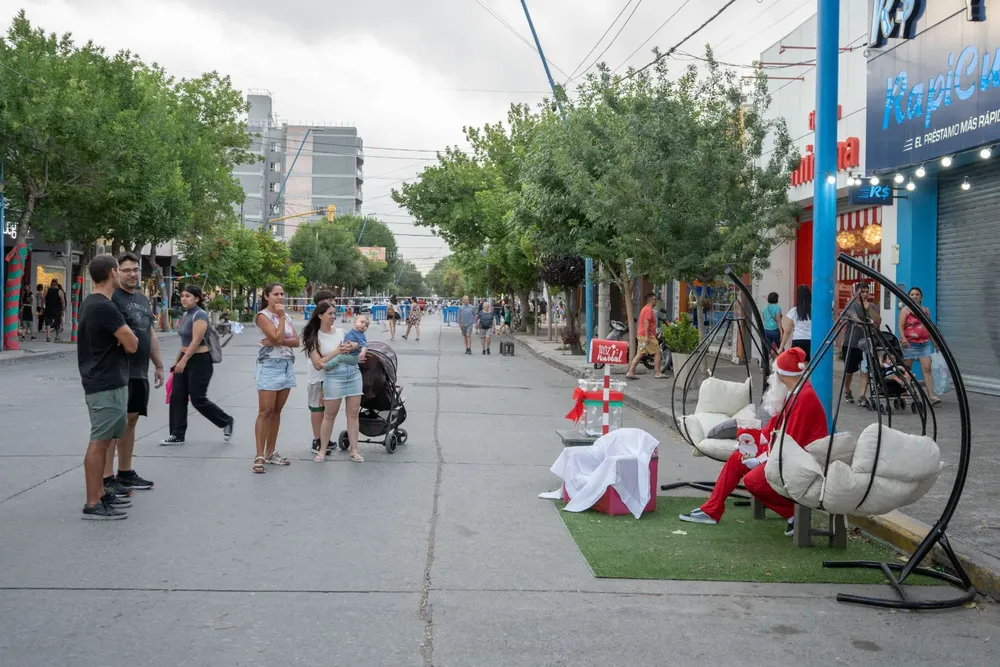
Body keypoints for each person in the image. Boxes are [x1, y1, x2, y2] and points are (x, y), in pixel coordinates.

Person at [679, 347, 829, 535]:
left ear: (782, 374)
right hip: (787, 451)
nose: (773, 376)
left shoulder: (803, 397)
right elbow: (771, 431)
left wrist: (760, 459)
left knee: (754, 481)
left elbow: (790, 442)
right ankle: (712, 510)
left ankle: (794, 515)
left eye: (776, 372)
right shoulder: (794, 392)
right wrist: (747, 443)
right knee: (738, 457)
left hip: (800, 458)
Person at [77, 255, 138, 520]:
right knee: (100, 441)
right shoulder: (103, 306)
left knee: (107, 438)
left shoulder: (93, 303)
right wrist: (125, 340)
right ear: (113, 272)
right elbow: (133, 343)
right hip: (105, 382)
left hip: (105, 380)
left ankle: (101, 492)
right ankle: (92, 502)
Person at [106, 252, 164, 493]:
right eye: (127, 270)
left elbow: (149, 333)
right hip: (119, 371)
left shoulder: (142, 299)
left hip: (140, 371)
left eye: (135, 270)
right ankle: (107, 478)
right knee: (114, 426)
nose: (132, 274)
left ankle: (125, 471)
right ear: (116, 272)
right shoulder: (111, 298)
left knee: (131, 422)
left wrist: (158, 364)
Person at [159, 285, 234, 447]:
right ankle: (177, 434)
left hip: (201, 361)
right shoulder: (186, 314)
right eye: (183, 296)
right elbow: (184, 343)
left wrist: (184, 361)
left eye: (188, 296)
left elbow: (195, 341)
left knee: (198, 399)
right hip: (185, 358)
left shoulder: (200, 316)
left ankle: (226, 421)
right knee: (177, 397)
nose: (184, 299)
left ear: (197, 298)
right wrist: (177, 362)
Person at [302, 302, 366, 462]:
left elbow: (357, 342)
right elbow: (318, 364)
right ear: (320, 315)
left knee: (353, 414)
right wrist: (336, 352)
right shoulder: (314, 337)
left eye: (334, 313)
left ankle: (355, 450)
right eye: (330, 313)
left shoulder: (342, 332)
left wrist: (354, 346)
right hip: (333, 377)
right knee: (329, 415)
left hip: (353, 374)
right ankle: (322, 450)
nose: (333, 316)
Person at [252, 283, 298, 472]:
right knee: (265, 411)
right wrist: (279, 321)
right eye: (275, 294)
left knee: (277, 412)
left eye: (282, 294)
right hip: (270, 365)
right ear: (266, 296)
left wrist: (279, 339)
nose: (280, 297)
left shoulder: (285, 316)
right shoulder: (263, 316)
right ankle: (259, 454)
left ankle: (271, 451)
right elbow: (276, 338)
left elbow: (296, 341)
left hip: (286, 364)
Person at [898, 286, 941, 405]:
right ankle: (904, 393)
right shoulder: (905, 310)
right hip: (910, 345)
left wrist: (934, 343)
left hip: (924, 344)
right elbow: (900, 326)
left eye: (917, 294)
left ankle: (931, 396)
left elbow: (929, 327)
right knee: (907, 371)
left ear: (921, 297)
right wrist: (903, 339)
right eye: (912, 294)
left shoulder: (926, 310)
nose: (914, 296)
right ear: (908, 296)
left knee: (927, 369)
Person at [842, 283, 881, 405]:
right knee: (849, 371)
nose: (864, 294)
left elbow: (878, 321)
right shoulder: (851, 304)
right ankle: (847, 390)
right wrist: (861, 322)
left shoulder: (872, 306)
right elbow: (853, 316)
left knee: (865, 370)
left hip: (867, 343)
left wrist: (869, 309)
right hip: (851, 343)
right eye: (862, 292)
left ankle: (862, 396)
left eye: (866, 292)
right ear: (856, 293)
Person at [308, 289, 336, 455]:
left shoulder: (333, 325)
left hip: (333, 374)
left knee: (328, 408)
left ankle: (325, 438)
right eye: (329, 301)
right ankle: (317, 440)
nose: (332, 304)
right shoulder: (313, 328)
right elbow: (316, 360)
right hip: (318, 373)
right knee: (317, 406)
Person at [626, 292, 664, 380]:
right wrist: (647, 336)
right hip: (648, 336)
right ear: (652, 300)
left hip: (642, 336)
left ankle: (630, 372)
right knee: (657, 352)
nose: (656, 301)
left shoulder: (645, 309)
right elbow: (646, 322)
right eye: (655, 299)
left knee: (640, 354)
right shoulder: (649, 310)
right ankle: (658, 373)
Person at [780, 284, 812, 360]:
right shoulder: (815, 310)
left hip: (798, 341)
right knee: (809, 364)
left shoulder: (793, 311)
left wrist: (781, 347)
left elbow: (787, 330)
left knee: (797, 365)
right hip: (811, 341)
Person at [762, 292, 783, 358]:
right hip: (775, 330)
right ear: (776, 299)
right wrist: (781, 331)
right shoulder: (777, 308)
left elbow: (764, 319)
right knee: (781, 347)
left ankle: (763, 366)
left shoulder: (765, 308)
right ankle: (784, 364)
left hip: (766, 330)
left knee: (767, 349)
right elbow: (778, 320)